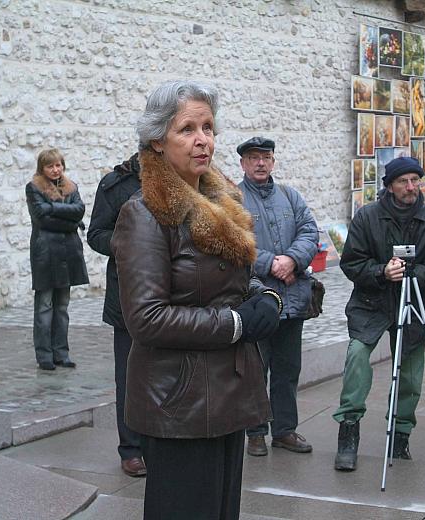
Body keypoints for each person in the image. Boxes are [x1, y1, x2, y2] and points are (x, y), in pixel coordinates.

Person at [110, 80, 281, 519]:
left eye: (207, 127)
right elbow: (147, 317)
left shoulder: (220, 200)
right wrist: (236, 323)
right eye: (187, 129)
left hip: (228, 392)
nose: (203, 139)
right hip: (181, 401)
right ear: (157, 140)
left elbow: (232, 283)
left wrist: (265, 298)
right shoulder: (144, 214)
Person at [332, 156, 425, 472]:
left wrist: (412, 274)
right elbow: (351, 263)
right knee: (357, 357)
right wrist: (381, 272)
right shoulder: (367, 217)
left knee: (411, 374)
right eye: (403, 181)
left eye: (415, 180)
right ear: (390, 186)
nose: (411, 187)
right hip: (371, 302)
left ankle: (400, 436)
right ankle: (348, 432)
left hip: (413, 301)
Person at [237, 137, 319, 457]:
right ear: (243, 163)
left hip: (293, 298)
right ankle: (256, 432)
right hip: (256, 299)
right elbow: (235, 242)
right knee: (255, 369)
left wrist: (292, 260)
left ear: (273, 162)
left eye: (266, 157)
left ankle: (285, 430)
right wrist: (271, 263)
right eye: (253, 157)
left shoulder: (290, 195)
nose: (260, 163)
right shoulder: (234, 199)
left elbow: (309, 231)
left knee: (288, 368)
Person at [87, 154, 146, 477]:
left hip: (173, 295)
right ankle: (131, 449)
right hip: (128, 294)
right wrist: (125, 243)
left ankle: (161, 444)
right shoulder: (116, 185)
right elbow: (96, 233)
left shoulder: (183, 178)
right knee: (129, 376)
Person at [25, 148, 88, 371]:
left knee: (62, 306)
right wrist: (72, 223)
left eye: (58, 165)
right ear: (42, 168)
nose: (55, 169)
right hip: (46, 253)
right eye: (50, 166)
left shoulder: (72, 187)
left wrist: (54, 208)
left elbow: (79, 209)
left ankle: (61, 353)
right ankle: (44, 355)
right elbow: (42, 219)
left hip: (68, 253)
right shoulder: (34, 188)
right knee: (45, 306)